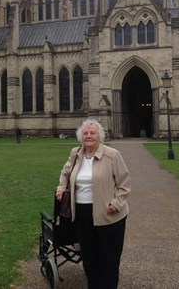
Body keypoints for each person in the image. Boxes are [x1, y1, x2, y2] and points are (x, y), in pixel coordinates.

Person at [56, 119, 130, 289]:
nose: (88, 136)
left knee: (108, 259)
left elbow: (124, 184)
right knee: (89, 257)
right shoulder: (76, 153)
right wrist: (61, 188)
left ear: (100, 137)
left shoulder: (112, 155)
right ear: (80, 137)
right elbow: (65, 173)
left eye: (92, 133)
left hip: (108, 215)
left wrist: (116, 204)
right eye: (85, 133)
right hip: (82, 214)